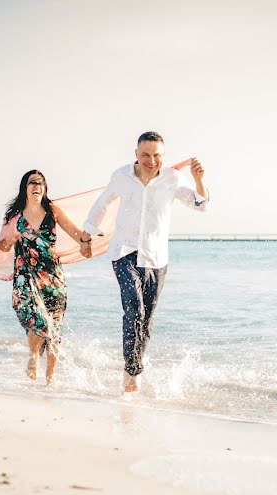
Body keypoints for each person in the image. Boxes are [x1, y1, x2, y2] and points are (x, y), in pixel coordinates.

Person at [79, 131, 210, 392]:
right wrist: (86, 234)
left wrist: (198, 180)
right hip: (124, 252)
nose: (152, 161)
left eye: (157, 155)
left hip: (157, 258)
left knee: (147, 320)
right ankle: (132, 373)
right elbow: (102, 203)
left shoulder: (173, 178)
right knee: (134, 309)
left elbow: (202, 205)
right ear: (136, 154)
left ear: (163, 155)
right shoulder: (122, 176)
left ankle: (134, 363)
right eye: (146, 155)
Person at [0, 170, 90, 382]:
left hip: (53, 277)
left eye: (40, 183)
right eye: (32, 182)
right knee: (36, 318)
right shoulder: (14, 217)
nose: (36, 186)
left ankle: (51, 377)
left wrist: (86, 241)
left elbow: (75, 233)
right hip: (26, 275)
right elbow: (2, 246)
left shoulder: (52, 211)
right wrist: (10, 240)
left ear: (45, 188)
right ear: (25, 188)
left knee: (54, 327)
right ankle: (32, 358)